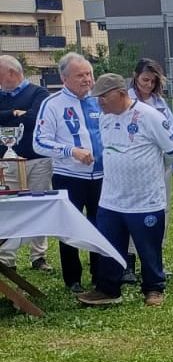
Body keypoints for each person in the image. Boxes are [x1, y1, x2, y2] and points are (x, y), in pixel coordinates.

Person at [79, 73, 173, 307]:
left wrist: (156, 169)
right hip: (111, 198)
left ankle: (154, 288)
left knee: (148, 248)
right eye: (97, 98)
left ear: (121, 93)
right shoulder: (105, 119)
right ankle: (108, 289)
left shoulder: (149, 116)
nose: (100, 102)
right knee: (109, 246)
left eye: (104, 97)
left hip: (145, 199)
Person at [33, 52, 103, 294]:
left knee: (100, 225)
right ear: (65, 78)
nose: (87, 79)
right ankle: (72, 279)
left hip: (102, 176)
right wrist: (71, 151)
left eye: (89, 74)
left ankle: (99, 275)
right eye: (80, 75)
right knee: (69, 227)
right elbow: (39, 142)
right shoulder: (52, 104)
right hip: (69, 176)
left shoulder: (100, 100)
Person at [125, 58, 173, 283]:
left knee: (161, 212)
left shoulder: (160, 102)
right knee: (131, 211)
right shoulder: (125, 100)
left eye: (152, 81)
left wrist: (171, 158)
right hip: (135, 167)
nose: (148, 85)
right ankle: (128, 262)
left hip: (160, 165)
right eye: (144, 79)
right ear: (135, 76)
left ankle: (155, 261)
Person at [0, 54, 53, 273]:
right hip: (7, 161)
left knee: (38, 205)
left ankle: (38, 256)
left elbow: (36, 118)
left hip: (37, 160)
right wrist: (14, 113)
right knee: (8, 207)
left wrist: (8, 117)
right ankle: (6, 257)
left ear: (12, 73)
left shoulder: (38, 93)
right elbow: (22, 117)